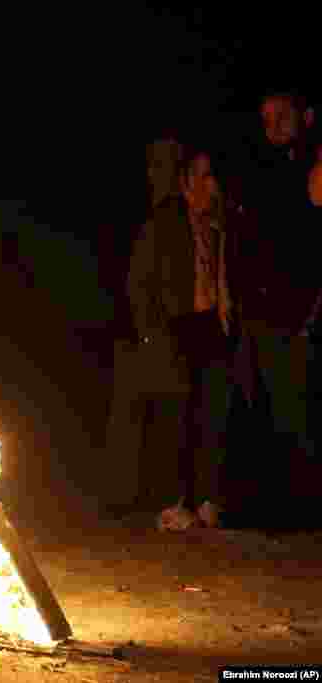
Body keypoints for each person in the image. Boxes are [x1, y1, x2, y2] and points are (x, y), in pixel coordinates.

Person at [108, 142, 236, 529]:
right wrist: (151, 334)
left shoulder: (219, 223)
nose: (208, 184)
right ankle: (171, 502)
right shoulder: (163, 222)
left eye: (211, 176)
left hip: (211, 324)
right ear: (184, 183)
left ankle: (207, 498)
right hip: (175, 325)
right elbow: (138, 281)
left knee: (211, 412)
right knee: (174, 416)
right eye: (200, 176)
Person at [229, 90, 320, 490]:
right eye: (267, 119)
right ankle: (282, 498)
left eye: (283, 116)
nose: (274, 127)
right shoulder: (261, 170)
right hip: (262, 308)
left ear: (307, 116)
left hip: (300, 310)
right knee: (271, 407)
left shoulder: (312, 164)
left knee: (300, 409)